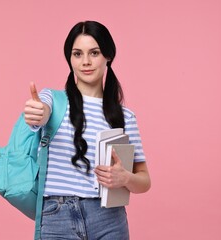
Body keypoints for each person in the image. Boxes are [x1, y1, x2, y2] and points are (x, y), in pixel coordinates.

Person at [24, 20, 151, 240]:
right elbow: (41, 112)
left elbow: (144, 181)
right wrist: (37, 113)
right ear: (70, 59)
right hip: (56, 217)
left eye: (94, 53)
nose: (85, 62)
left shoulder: (125, 117)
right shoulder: (52, 100)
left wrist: (125, 178)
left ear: (108, 57)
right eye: (77, 54)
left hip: (109, 219)